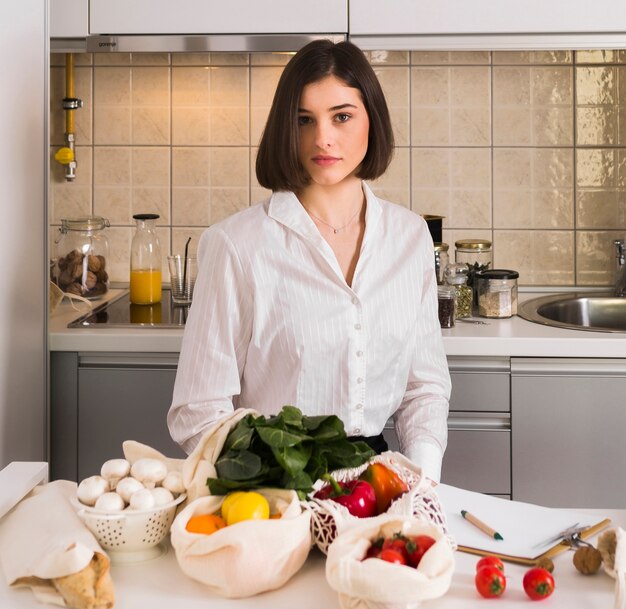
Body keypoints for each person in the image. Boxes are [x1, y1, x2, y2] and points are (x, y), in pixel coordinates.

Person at [167, 39, 451, 483]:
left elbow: (423, 387)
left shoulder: (410, 237)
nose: (323, 138)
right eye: (304, 120)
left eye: (342, 116)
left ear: (371, 119)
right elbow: (197, 411)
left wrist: (424, 483)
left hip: (379, 484)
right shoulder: (237, 245)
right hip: (276, 488)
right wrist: (270, 487)